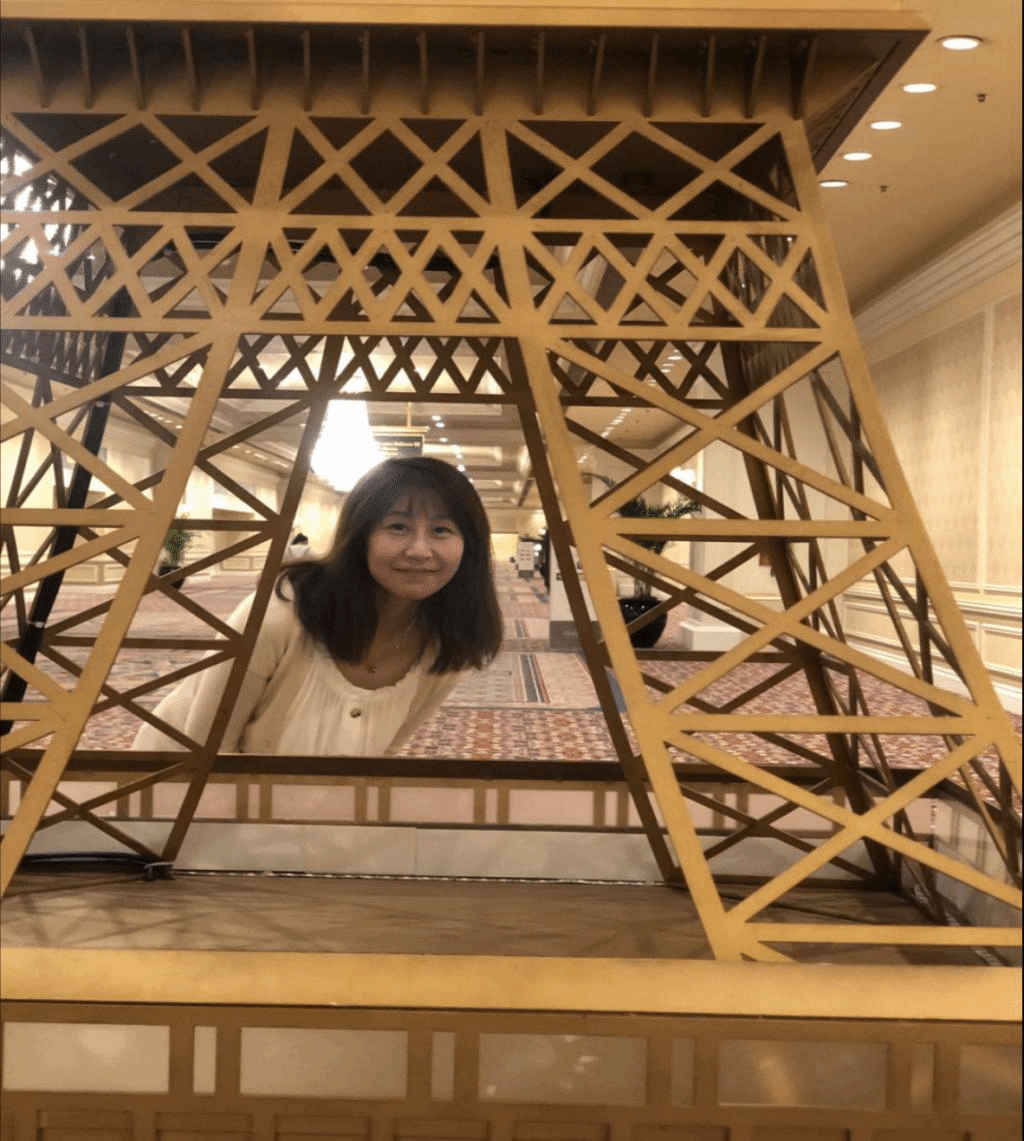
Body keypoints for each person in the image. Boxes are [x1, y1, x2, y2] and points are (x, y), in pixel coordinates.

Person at [132, 457, 503, 755]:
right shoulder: (282, 614)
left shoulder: (450, 645)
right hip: (170, 788)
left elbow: (384, 753)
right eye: (398, 527)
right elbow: (209, 753)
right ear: (360, 537)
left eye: (441, 530)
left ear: (468, 547)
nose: (420, 550)